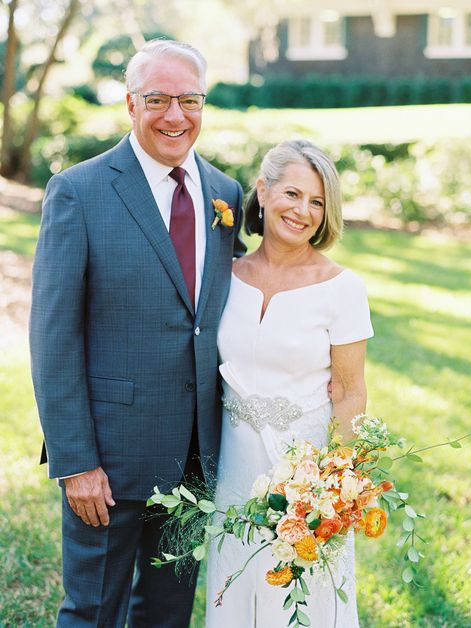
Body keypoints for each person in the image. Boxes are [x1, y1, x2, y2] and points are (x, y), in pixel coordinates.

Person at [30, 39, 245, 627]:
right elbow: (53, 338)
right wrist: (76, 461)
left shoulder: (225, 194)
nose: (174, 115)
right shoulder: (79, 191)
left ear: (204, 105)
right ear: (130, 104)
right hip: (109, 458)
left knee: (168, 615)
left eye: (189, 100)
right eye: (157, 99)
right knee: (93, 610)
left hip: (198, 457)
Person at [206, 139, 374, 627]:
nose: (303, 211)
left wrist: (334, 489)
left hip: (304, 467)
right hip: (233, 464)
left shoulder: (341, 288)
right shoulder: (225, 274)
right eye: (293, 194)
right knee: (235, 580)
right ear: (262, 190)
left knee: (301, 595)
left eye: (317, 202)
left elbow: (349, 391)